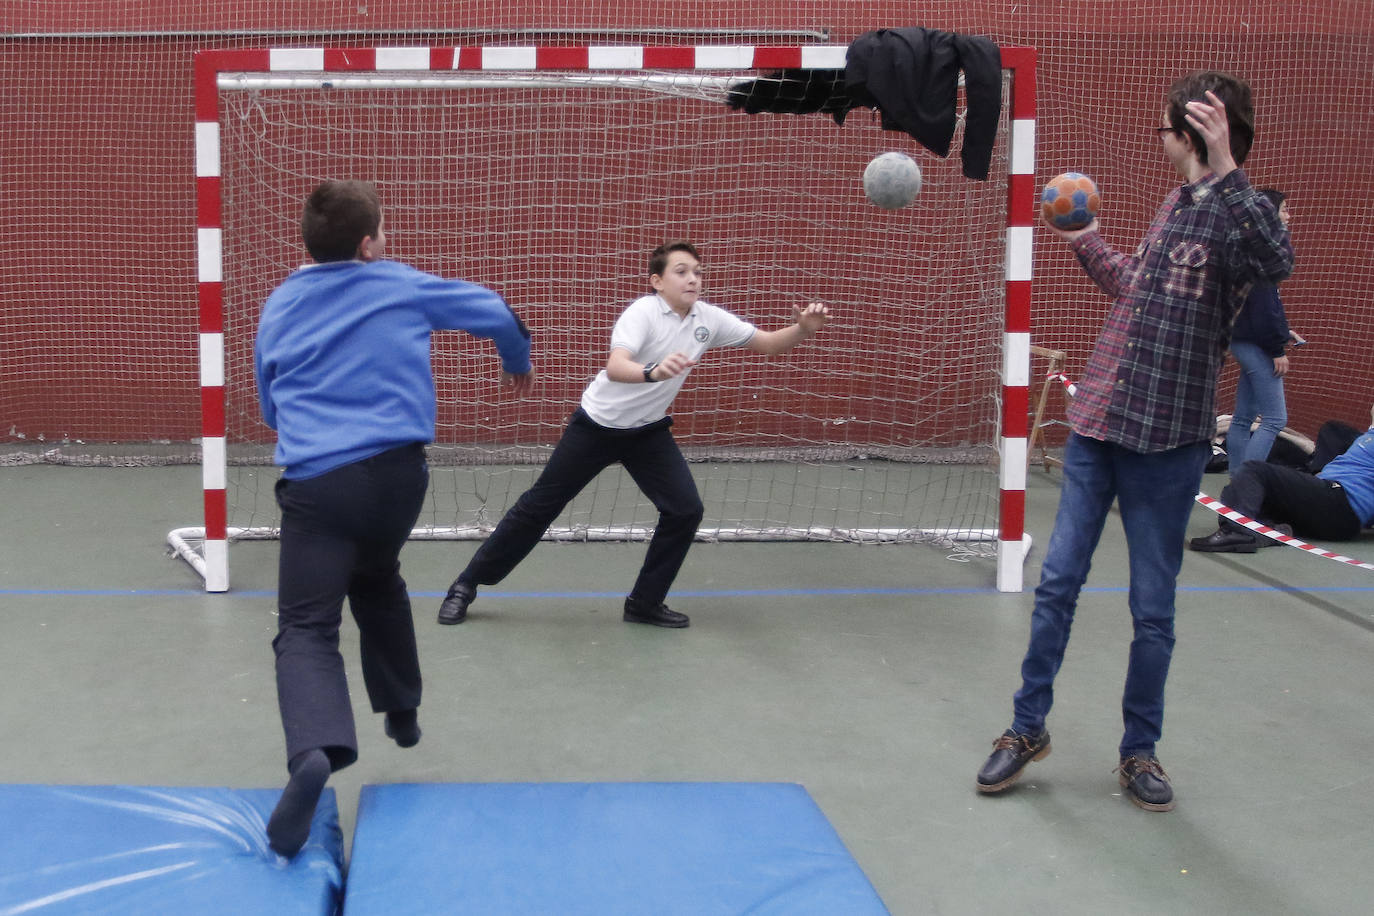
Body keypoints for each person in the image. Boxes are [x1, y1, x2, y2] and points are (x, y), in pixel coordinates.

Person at [975, 72, 1293, 811]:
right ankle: (1027, 729)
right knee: (1057, 583)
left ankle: (1138, 752)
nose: (1159, 140)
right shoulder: (1174, 204)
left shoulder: (1242, 213)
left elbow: (1276, 261)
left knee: (1153, 607)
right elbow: (1138, 291)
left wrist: (1227, 166)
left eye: (1164, 129)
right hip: (1101, 427)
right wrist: (1086, 240)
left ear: (1194, 134)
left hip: (1169, 444)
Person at [253, 179, 534, 858]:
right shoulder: (399, 284)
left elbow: (268, 400)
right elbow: (497, 312)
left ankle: (317, 752)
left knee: (306, 627)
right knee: (377, 576)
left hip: (321, 485)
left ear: (307, 244)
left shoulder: (281, 303)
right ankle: (401, 706)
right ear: (369, 243)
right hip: (400, 479)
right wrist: (515, 359)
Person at [437, 240, 830, 630]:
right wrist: (653, 372)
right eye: (681, 272)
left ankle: (645, 602)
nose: (692, 279)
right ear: (657, 282)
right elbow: (615, 366)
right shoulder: (642, 313)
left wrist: (801, 329)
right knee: (538, 508)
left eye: (697, 272)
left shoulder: (707, 319)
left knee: (685, 510)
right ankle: (465, 585)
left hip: (647, 433)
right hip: (596, 427)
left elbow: (766, 344)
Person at [1191, 404, 1374, 551]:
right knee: (1245, 491)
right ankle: (1270, 530)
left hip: (1341, 503)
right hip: (1328, 498)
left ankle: (1238, 531)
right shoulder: (1368, 434)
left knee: (1254, 471)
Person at [1225, 188, 1301, 473]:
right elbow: (1265, 308)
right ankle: (1248, 486)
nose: (1288, 216)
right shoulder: (1265, 251)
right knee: (1274, 419)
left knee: (1243, 417)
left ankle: (1237, 486)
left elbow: (1261, 306)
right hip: (1256, 345)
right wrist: (1277, 348)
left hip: (1242, 340)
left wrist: (1284, 331)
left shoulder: (1247, 247)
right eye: (1284, 209)